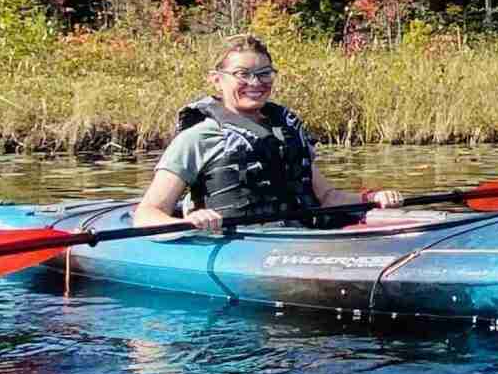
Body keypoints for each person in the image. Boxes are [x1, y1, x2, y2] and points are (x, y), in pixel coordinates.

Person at [134, 35, 403, 234]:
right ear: (217, 79)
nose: (255, 83)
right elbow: (147, 213)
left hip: (303, 234)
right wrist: (189, 222)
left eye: (264, 74)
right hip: (241, 242)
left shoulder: (287, 131)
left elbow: (328, 197)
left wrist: (371, 199)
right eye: (242, 74)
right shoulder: (198, 138)